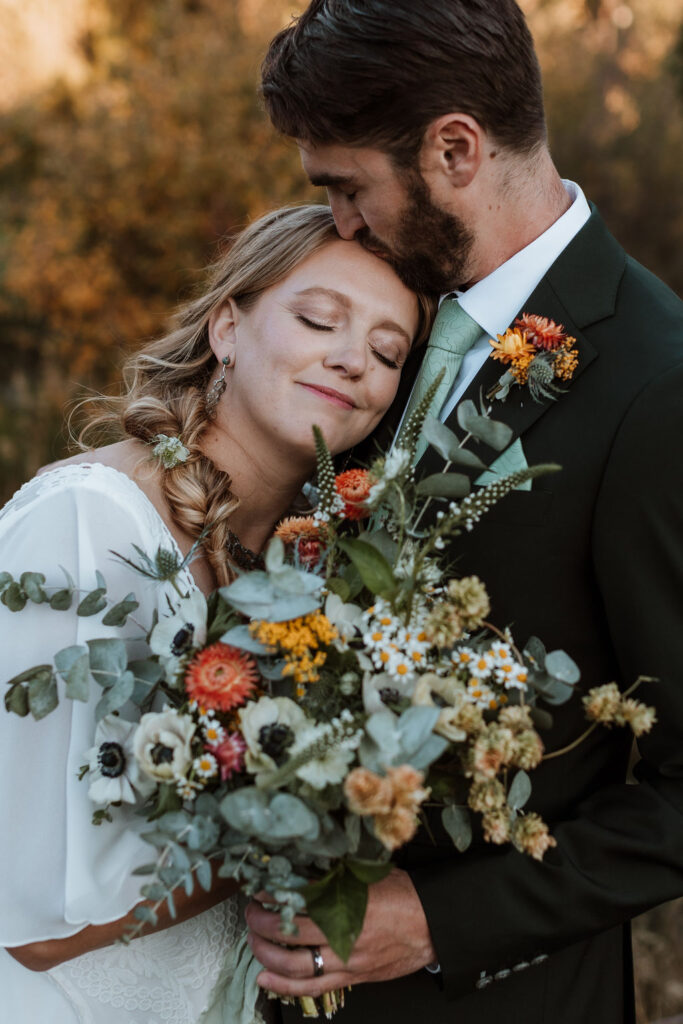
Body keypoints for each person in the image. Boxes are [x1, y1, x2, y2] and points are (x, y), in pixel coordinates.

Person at [247, 4, 683, 1023]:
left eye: (348, 189)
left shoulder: (656, 386)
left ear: (454, 148)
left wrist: (438, 921)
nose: (339, 224)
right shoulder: (377, 314)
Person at [0, 203, 430, 1024]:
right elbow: (32, 921)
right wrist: (311, 834)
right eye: (317, 320)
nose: (350, 362)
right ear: (227, 326)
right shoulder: (92, 527)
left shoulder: (310, 580)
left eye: (386, 353)